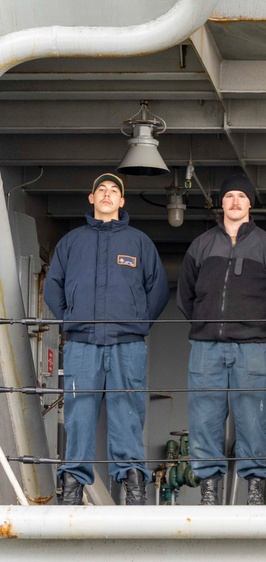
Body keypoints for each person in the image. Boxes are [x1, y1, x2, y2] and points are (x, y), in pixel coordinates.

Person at [44, 173, 169, 506]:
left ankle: (134, 491)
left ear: (122, 201)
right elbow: (52, 287)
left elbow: (157, 290)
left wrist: (138, 325)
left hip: (127, 346)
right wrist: (69, 321)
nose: (107, 194)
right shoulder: (71, 242)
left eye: (114, 191)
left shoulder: (139, 243)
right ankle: (71, 490)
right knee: (78, 415)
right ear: (92, 198)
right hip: (82, 344)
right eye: (101, 190)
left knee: (128, 415)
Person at [177, 172, 266, 505]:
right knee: (204, 418)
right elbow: (185, 296)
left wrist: (260, 329)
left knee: (253, 417)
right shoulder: (201, 245)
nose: (235, 201)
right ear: (222, 203)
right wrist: (205, 324)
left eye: (241, 196)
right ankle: (209, 492)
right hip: (205, 347)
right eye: (229, 196)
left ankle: (255, 490)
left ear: (249, 203)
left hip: (252, 348)